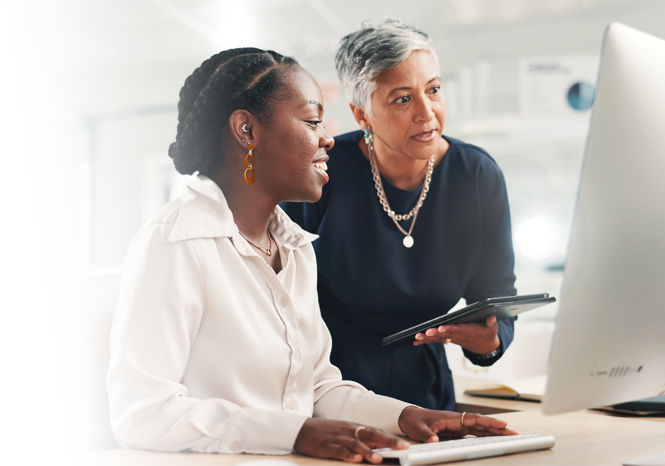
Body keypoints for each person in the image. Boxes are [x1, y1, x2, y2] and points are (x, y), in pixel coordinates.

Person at [106, 47, 516, 464]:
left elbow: (318, 387)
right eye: (312, 121)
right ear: (246, 130)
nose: (327, 139)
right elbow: (142, 414)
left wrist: (409, 416)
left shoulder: (295, 246)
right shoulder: (175, 242)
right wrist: (296, 433)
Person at [280, 19, 518, 411]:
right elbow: (278, 295)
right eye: (403, 99)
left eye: (435, 90)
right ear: (362, 115)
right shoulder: (322, 170)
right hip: (329, 387)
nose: (428, 113)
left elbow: (497, 297)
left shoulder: (476, 175)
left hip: (426, 389)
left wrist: (491, 341)